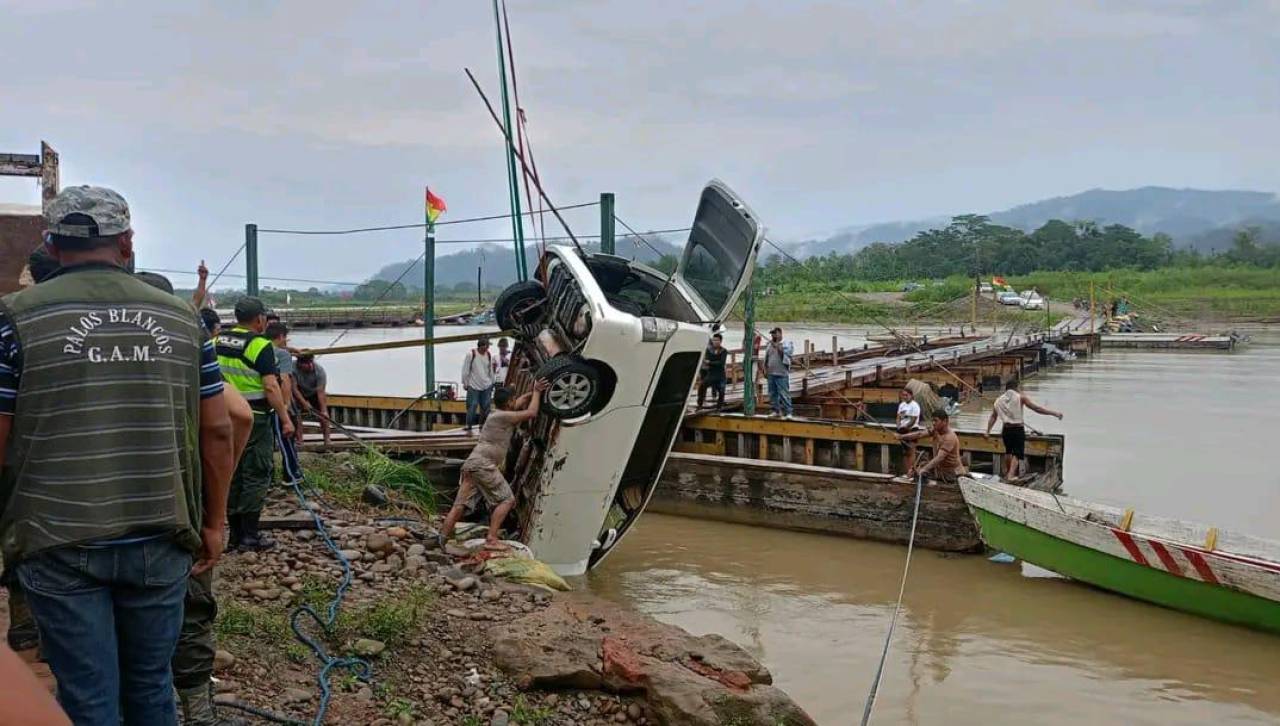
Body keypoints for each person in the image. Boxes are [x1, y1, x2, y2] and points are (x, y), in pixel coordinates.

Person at [0, 185, 235, 725]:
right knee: (151, 685)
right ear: (127, 243)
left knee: (87, 693)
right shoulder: (183, 320)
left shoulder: (14, 319)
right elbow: (219, 429)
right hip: (160, 532)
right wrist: (215, 521)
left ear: (52, 246)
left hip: (58, 535)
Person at [215, 296, 293, 550]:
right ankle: (250, 535)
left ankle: (235, 534)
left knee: (231, 472)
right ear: (259, 319)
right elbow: (271, 385)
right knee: (256, 472)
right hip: (255, 418)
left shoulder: (216, 340)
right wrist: (285, 418)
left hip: (223, 415)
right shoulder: (260, 345)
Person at [438, 380, 548, 548]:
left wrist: (531, 393)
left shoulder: (497, 413)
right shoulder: (503, 416)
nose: (515, 401)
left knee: (459, 506)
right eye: (513, 399)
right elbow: (532, 413)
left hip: (472, 464)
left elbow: (518, 403)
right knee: (507, 500)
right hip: (483, 464)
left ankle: (441, 538)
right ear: (508, 402)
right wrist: (538, 393)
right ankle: (491, 538)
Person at [986, 379, 1063, 481]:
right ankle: (1010, 475)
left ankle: (1008, 473)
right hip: (1017, 429)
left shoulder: (998, 400)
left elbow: (993, 417)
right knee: (1017, 453)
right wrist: (1054, 413)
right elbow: (1037, 409)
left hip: (1006, 430)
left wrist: (987, 431)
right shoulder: (1020, 397)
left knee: (1008, 451)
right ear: (1016, 387)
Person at [266, 321, 304, 484]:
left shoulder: (260, 348)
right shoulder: (282, 355)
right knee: (286, 440)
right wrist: (286, 406)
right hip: (277, 403)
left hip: (258, 403)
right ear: (281, 336)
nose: (286, 342)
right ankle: (291, 474)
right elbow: (285, 380)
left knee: (265, 443)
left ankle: (266, 478)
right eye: (285, 339)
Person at [914, 409, 967, 485]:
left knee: (923, 470)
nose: (933, 423)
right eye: (932, 421)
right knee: (918, 469)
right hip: (941, 471)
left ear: (945, 421)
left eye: (936, 421)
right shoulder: (935, 431)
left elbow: (939, 458)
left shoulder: (950, 437)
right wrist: (902, 437)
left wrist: (924, 469)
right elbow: (919, 434)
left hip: (953, 474)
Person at [294, 353, 330, 448]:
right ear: (299, 364)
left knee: (323, 415)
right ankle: (300, 441)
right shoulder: (292, 369)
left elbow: (321, 392)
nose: (310, 365)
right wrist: (304, 403)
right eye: (306, 363)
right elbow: (294, 389)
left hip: (314, 393)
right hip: (298, 392)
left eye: (311, 362)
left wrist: (324, 411)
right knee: (295, 413)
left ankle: (327, 440)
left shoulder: (319, 371)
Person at [461, 336, 496, 434]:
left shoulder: (488, 355)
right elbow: (465, 370)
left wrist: (492, 382)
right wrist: (465, 383)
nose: (488, 348)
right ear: (482, 346)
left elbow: (490, 370)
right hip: (473, 385)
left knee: (485, 407)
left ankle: (482, 425)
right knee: (472, 405)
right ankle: (469, 426)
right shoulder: (471, 354)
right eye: (487, 346)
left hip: (486, 385)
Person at [762, 327, 794, 419]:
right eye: (772, 334)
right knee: (772, 393)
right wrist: (764, 368)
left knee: (784, 393)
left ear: (780, 333)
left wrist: (778, 347)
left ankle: (788, 412)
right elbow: (766, 357)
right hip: (771, 373)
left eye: (775, 333)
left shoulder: (786, 343)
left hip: (781, 373)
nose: (773, 335)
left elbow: (787, 355)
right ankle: (776, 411)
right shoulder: (769, 344)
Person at [697, 333, 728, 409]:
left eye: (717, 340)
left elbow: (721, 363)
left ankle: (719, 407)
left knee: (721, 391)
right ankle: (700, 404)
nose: (715, 341)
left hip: (720, 375)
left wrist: (710, 362)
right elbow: (706, 360)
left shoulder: (723, 351)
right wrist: (709, 363)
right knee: (702, 386)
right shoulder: (709, 350)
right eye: (714, 340)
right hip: (711, 374)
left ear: (720, 341)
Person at [896, 388, 923, 475]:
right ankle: (906, 471)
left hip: (912, 429)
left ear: (911, 395)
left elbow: (913, 420)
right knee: (905, 452)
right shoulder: (901, 405)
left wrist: (906, 428)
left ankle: (911, 471)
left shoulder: (915, 405)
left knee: (911, 451)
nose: (905, 397)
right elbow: (898, 417)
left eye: (906, 395)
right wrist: (898, 426)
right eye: (903, 395)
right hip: (902, 429)